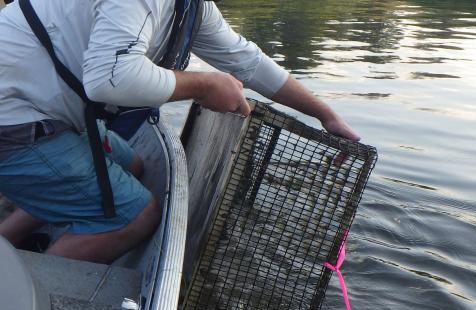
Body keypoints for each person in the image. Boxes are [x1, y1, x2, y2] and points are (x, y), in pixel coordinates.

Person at [0, 0, 360, 264]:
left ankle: (8, 238)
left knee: (133, 165)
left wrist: (324, 115)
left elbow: (247, 61)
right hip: (14, 120)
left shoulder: (191, 7)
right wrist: (204, 86)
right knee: (136, 217)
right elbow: (111, 79)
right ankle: (29, 289)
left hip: (44, 112)